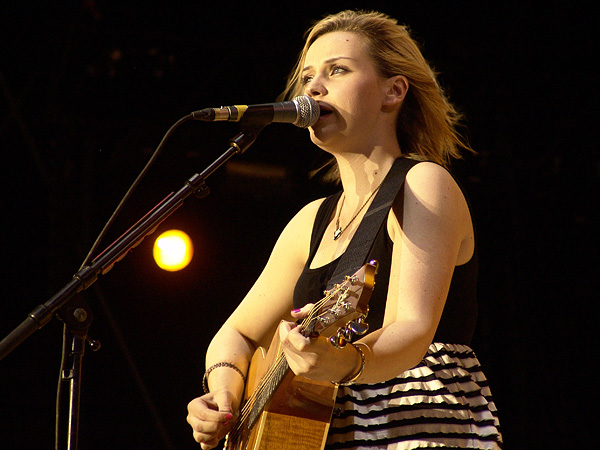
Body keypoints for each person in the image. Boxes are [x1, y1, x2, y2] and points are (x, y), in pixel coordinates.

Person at [187, 9, 502, 450]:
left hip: (415, 426)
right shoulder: (310, 222)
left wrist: (342, 363)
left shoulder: (424, 184)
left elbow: (411, 328)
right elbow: (234, 335)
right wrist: (223, 395)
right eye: (308, 76)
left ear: (393, 91)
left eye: (338, 70)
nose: (314, 87)